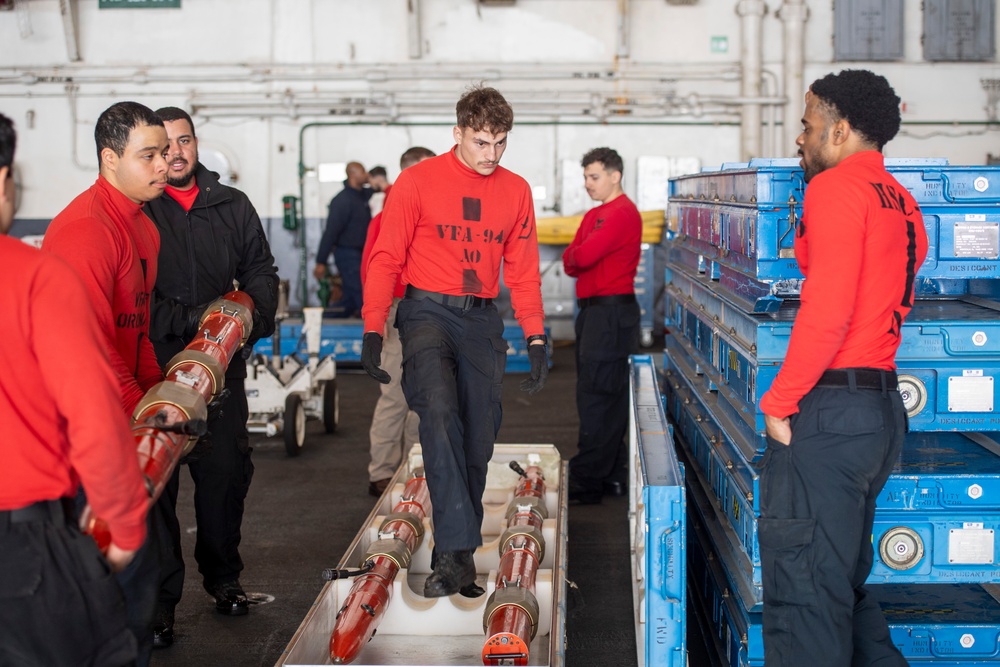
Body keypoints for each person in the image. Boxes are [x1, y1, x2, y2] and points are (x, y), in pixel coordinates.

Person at [757, 69, 928, 667]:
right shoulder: (902, 203)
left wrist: (778, 401)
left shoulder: (836, 192)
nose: (800, 139)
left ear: (841, 128)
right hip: (880, 413)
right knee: (839, 589)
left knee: (805, 594)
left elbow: (828, 313)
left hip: (830, 415)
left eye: (807, 126)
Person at [362, 85, 549, 598]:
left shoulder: (516, 190)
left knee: (477, 437)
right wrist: (374, 326)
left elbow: (525, 272)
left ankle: (459, 559)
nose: (491, 155)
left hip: (481, 321)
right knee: (439, 415)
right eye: (482, 142)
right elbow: (386, 258)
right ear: (459, 133)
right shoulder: (417, 182)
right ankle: (452, 556)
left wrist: (535, 334)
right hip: (424, 313)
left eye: (501, 143)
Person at [0, 111, 148, 667]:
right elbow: (92, 413)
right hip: (23, 547)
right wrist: (126, 524)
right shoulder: (36, 277)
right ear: (4, 181)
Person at [41, 100, 170, 666]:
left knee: (143, 576)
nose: (164, 164)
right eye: (148, 155)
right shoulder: (86, 231)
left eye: (165, 152)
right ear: (109, 159)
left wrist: (163, 399)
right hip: (80, 434)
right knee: (110, 586)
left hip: (123, 422)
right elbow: (88, 349)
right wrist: (144, 412)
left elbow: (135, 333)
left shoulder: (144, 225)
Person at [144, 106, 278, 646]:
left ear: (196, 146)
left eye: (184, 141)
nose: (176, 153)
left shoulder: (232, 204)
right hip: (154, 365)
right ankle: (160, 602)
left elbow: (261, 271)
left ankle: (224, 578)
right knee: (157, 486)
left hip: (222, 366)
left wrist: (247, 318)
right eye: (164, 145)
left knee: (224, 474)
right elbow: (131, 295)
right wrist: (190, 321)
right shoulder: (143, 210)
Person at [562, 147, 642, 506]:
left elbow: (583, 256)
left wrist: (578, 253)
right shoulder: (596, 215)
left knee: (599, 396)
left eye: (594, 177)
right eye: (585, 177)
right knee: (598, 393)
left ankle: (589, 479)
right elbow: (570, 260)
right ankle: (610, 473)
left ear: (615, 176)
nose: (588, 184)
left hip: (610, 316)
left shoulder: (621, 214)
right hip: (595, 315)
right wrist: (578, 253)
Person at [360, 146, 435, 497]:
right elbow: (371, 270)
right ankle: (383, 472)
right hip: (398, 308)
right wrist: (376, 321)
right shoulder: (387, 216)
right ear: (406, 174)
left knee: (425, 395)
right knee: (394, 394)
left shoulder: (435, 213)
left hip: (432, 311)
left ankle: (415, 468)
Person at [314, 161, 372, 317]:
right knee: (359, 291)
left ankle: (325, 320)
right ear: (352, 174)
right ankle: (370, 328)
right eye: (362, 171)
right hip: (347, 254)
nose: (366, 174)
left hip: (361, 254)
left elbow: (380, 188)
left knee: (350, 298)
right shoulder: (342, 200)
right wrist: (321, 261)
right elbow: (331, 232)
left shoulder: (363, 196)